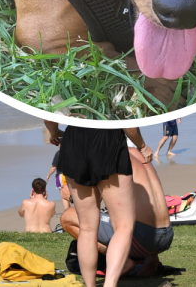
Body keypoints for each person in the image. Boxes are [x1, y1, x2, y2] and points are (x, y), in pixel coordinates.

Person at [45, 122, 152, 287]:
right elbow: (129, 124)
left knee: (87, 228)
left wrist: (54, 132)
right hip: (108, 137)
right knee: (123, 225)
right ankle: (109, 284)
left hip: (74, 139)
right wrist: (142, 146)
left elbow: (48, 115)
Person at [62, 147, 173, 277]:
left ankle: (123, 261)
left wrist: (70, 197)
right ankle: (151, 258)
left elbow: (93, 203)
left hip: (144, 238)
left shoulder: (111, 156)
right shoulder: (135, 152)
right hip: (166, 234)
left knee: (67, 217)